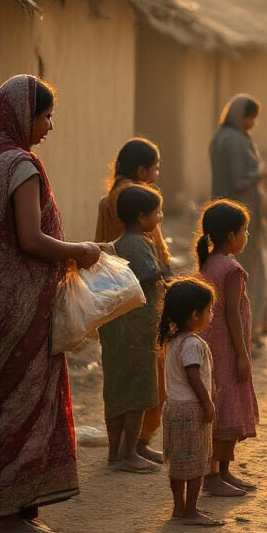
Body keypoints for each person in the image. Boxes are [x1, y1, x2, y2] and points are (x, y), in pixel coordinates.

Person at [0, 75, 102, 533]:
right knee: (24, 403)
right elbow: (31, 239)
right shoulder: (20, 166)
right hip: (21, 305)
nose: (50, 125)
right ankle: (6, 520)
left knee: (2, 401)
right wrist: (80, 250)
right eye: (45, 115)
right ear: (23, 116)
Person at [94, 137, 172, 465]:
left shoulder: (115, 212)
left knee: (119, 386)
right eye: (157, 214)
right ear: (142, 217)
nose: (160, 218)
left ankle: (123, 449)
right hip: (136, 319)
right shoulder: (137, 238)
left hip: (116, 316)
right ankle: (131, 448)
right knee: (142, 385)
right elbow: (149, 274)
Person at [195, 200, 260, 496]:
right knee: (226, 410)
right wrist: (242, 354)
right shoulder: (232, 268)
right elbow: (232, 313)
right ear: (232, 235)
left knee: (223, 408)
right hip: (227, 347)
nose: (246, 236)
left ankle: (223, 471)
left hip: (213, 344)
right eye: (244, 231)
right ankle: (213, 476)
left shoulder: (209, 262)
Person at [158, 277, 223, 527]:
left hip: (173, 408)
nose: (211, 314)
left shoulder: (174, 341)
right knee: (196, 462)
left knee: (178, 461)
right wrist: (207, 403)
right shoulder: (193, 344)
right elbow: (193, 374)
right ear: (195, 314)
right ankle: (191, 510)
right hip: (190, 409)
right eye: (209, 310)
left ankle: (179, 507)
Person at [210, 94, 267, 342]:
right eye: (250, 118)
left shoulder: (219, 137)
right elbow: (239, 180)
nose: (252, 124)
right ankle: (248, 331)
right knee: (245, 270)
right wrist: (263, 174)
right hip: (238, 219)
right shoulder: (235, 140)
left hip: (222, 216)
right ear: (241, 116)